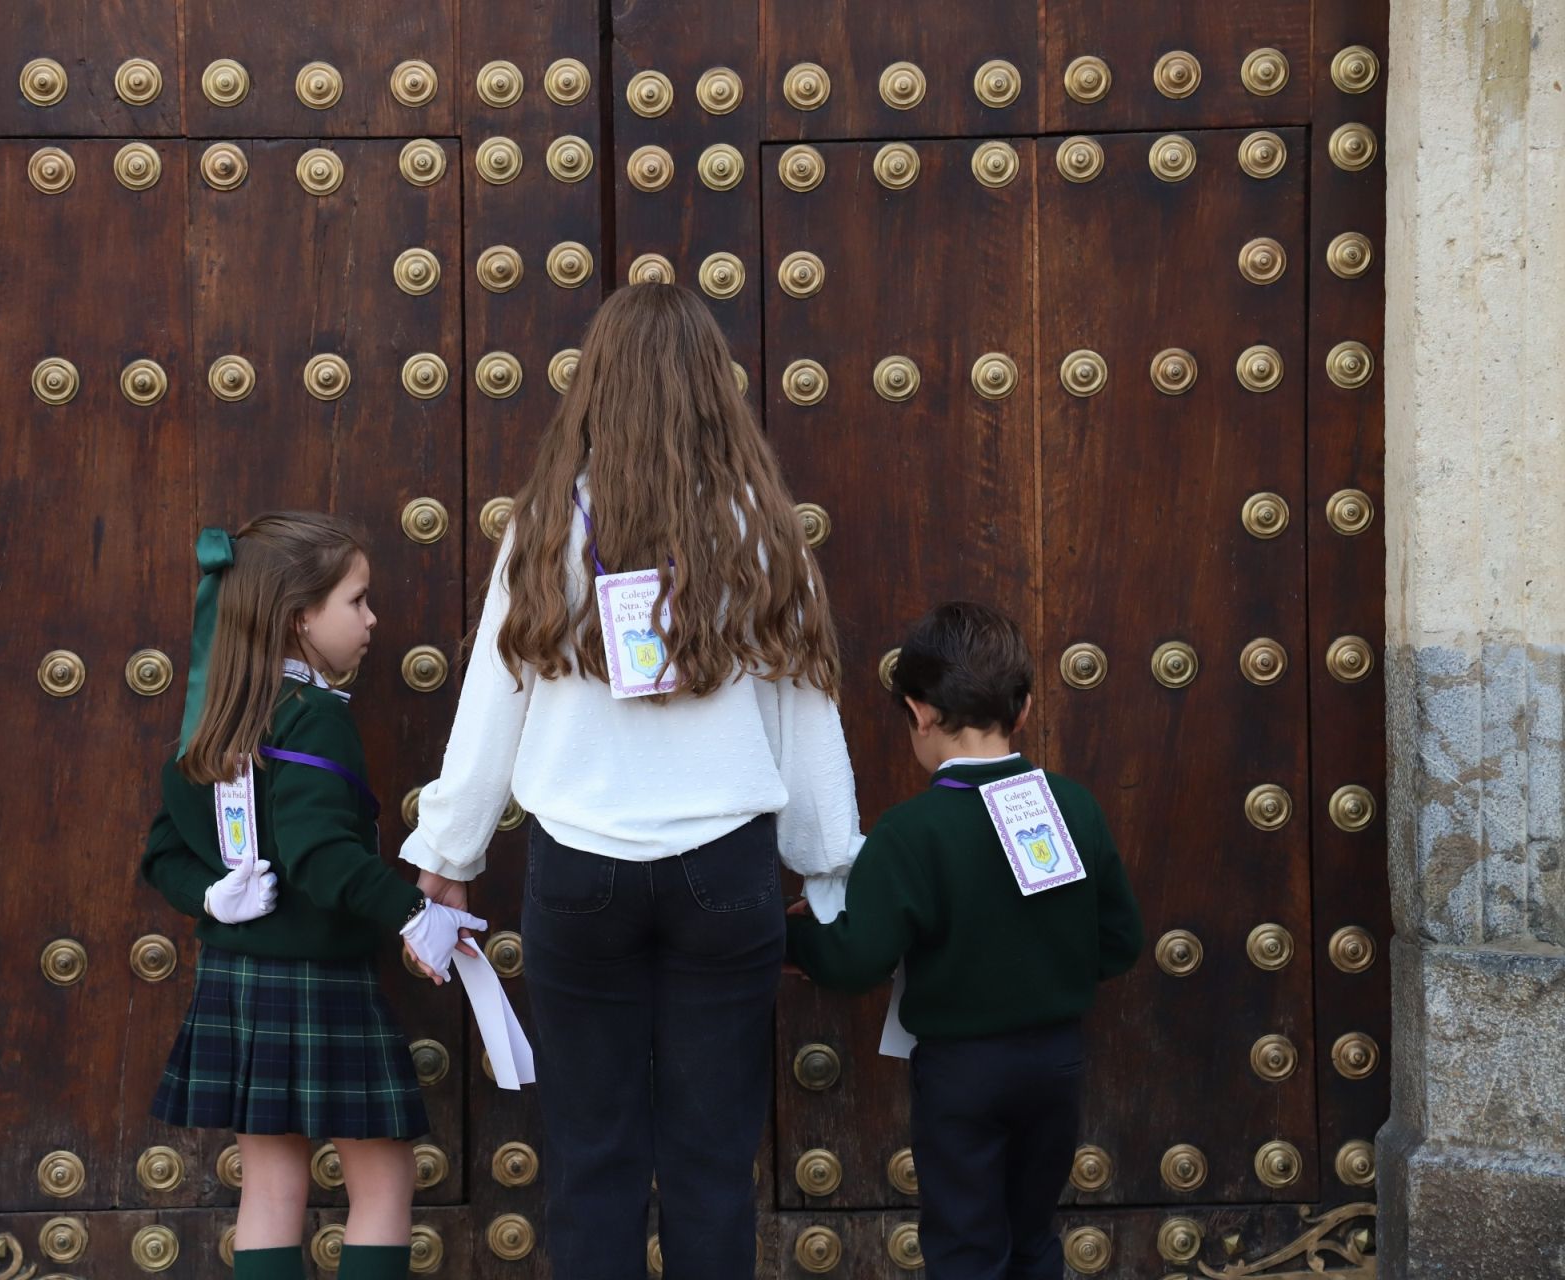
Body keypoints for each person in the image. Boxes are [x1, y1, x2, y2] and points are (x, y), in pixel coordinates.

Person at [400, 283, 864, 1279]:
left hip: (579, 871)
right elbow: (802, 704)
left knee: (592, 1156)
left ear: (595, 384)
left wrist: (447, 852)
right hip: (726, 872)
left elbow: (495, 695)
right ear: (713, 387)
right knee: (710, 1159)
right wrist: (827, 863)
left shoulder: (541, 525)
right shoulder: (759, 525)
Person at [139, 513, 482, 1280]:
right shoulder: (317, 718)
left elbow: (161, 853)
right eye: (356, 601)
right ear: (299, 617)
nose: (371, 620)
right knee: (385, 1180)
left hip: (236, 983)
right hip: (321, 986)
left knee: (268, 1188)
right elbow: (325, 860)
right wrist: (416, 913)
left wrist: (209, 896)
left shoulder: (213, 715)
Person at [785, 601, 1145, 1280]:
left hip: (962, 1074)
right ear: (1026, 709)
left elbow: (860, 958)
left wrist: (794, 941)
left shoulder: (909, 831)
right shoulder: (1073, 807)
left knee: (966, 1246)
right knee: (1033, 1237)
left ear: (919, 713)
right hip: (1056, 1062)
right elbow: (1121, 941)